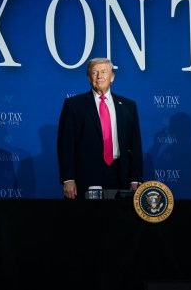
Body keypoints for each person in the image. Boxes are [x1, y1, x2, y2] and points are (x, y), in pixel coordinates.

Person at [57, 57, 144, 199]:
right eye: (94, 72)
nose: (99, 76)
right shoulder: (74, 105)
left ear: (112, 77)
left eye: (104, 72)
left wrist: (136, 178)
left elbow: (135, 144)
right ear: (88, 78)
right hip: (85, 175)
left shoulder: (128, 106)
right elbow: (66, 145)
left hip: (120, 174)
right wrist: (68, 178)